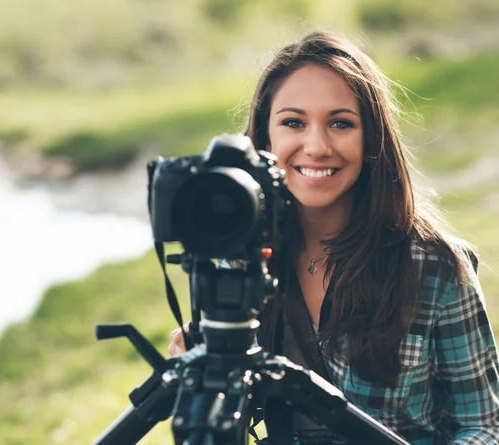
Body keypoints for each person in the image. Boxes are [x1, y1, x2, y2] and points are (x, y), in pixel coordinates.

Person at [168, 30, 499, 444]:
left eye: (341, 123)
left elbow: (485, 425)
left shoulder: (433, 265)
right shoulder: (237, 257)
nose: (317, 146)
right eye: (293, 122)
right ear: (266, 138)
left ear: (372, 138)